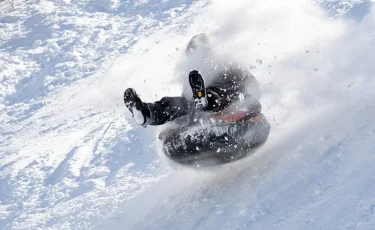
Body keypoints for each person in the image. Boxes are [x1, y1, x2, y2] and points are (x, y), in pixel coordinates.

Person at [124, 33, 261, 127]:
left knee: (213, 93)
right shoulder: (195, 75)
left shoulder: (226, 64)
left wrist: (252, 106)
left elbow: (250, 85)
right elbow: (186, 106)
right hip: (201, 109)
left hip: (229, 103)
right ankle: (146, 113)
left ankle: (203, 101)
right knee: (177, 103)